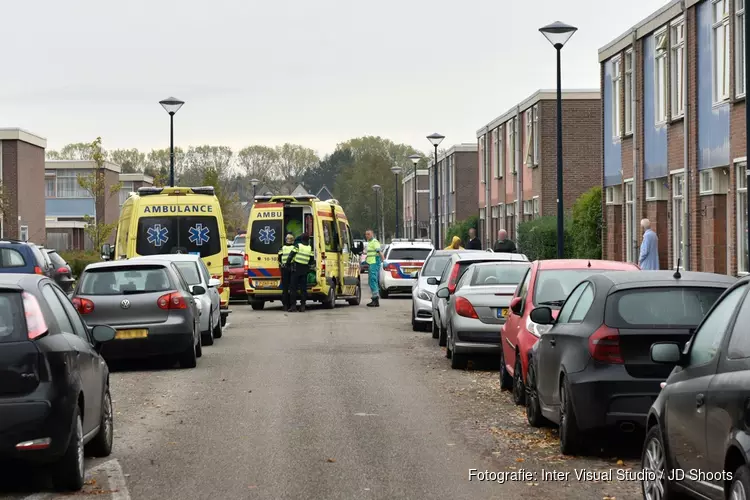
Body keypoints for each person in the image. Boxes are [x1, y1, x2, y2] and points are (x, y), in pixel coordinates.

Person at [287, 233, 315, 312]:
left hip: (296, 269)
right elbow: (311, 260)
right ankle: (303, 306)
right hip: (304, 270)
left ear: (301, 239)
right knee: (303, 289)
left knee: (293, 288)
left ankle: (293, 306)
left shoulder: (298, 246)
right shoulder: (310, 248)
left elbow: (291, 255)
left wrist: (287, 264)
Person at [364, 229, 384, 307]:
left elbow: (380, 252)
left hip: (374, 262)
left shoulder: (375, 242)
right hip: (371, 263)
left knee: (373, 280)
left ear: (372, 234)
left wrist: (383, 261)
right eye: (366, 234)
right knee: (371, 281)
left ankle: (375, 299)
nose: (367, 235)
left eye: (368, 234)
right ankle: (374, 298)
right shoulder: (369, 243)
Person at [278, 233, 297, 311]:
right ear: (293, 240)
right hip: (292, 268)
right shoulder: (295, 248)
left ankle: (285, 305)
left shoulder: (282, 247)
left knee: (285, 288)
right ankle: (293, 305)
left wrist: (281, 265)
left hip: (284, 268)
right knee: (292, 288)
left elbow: (279, 258)